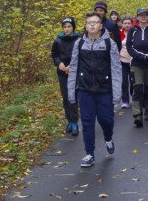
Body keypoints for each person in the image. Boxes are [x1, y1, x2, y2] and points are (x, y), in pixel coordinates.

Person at [68, 12, 122, 167]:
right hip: (85, 91)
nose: (91, 24)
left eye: (95, 22)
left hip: (104, 91)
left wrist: (116, 94)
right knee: (87, 123)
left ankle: (108, 137)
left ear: (100, 25)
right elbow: (73, 69)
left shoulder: (109, 44)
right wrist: (71, 92)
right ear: (85, 26)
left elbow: (116, 69)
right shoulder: (79, 44)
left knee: (106, 120)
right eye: (89, 22)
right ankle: (89, 153)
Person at [126, 8, 148, 127]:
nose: (143, 17)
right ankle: (137, 114)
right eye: (141, 15)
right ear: (137, 17)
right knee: (138, 87)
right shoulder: (133, 30)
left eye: (146, 15)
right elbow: (129, 47)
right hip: (136, 63)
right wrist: (139, 56)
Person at [51, 17, 80, 136]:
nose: (67, 29)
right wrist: (59, 63)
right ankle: (69, 120)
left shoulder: (78, 40)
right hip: (62, 73)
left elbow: (81, 56)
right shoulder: (58, 41)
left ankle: (74, 122)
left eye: (69, 26)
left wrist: (72, 66)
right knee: (65, 97)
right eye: (65, 27)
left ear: (73, 27)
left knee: (72, 97)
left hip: (75, 72)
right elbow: (54, 55)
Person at [119, 15, 133, 109]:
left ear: (131, 24)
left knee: (134, 81)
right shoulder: (119, 33)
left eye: (129, 23)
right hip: (122, 60)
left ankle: (134, 97)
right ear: (122, 24)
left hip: (134, 61)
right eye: (125, 23)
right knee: (124, 81)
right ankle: (125, 101)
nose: (127, 25)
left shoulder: (135, 32)